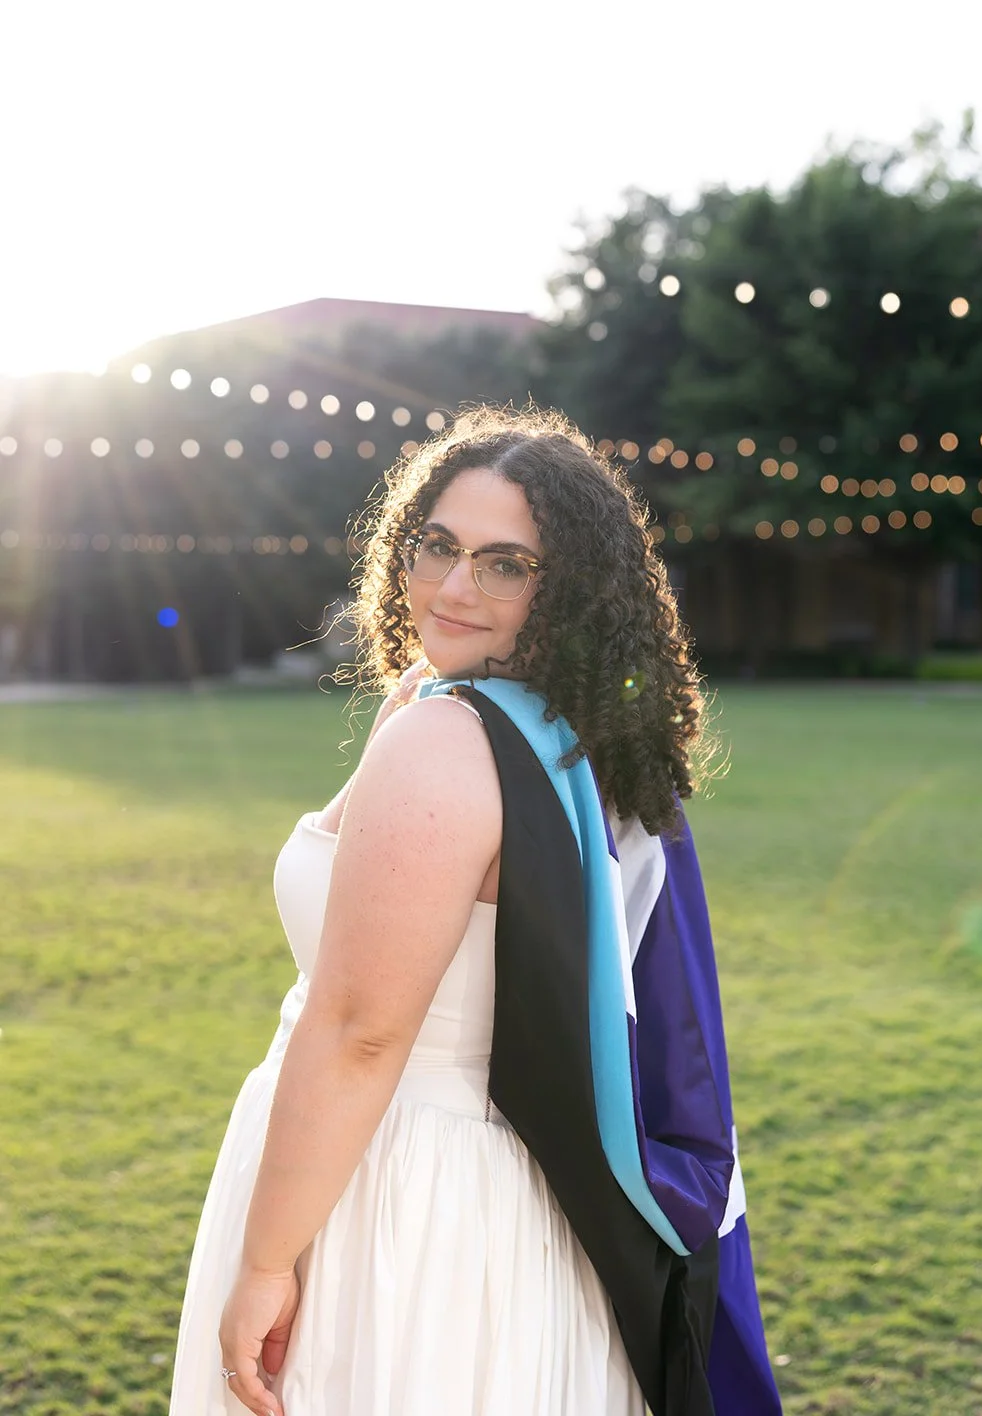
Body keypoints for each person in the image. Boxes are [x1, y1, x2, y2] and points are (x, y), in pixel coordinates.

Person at [169, 405, 781, 1416]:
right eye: (438, 546)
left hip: (395, 1191)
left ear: (569, 589)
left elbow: (364, 1032)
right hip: (496, 1187)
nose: (453, 587)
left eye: (506, 564)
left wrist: (270, 1260)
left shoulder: (449, 740)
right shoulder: (560, 729)